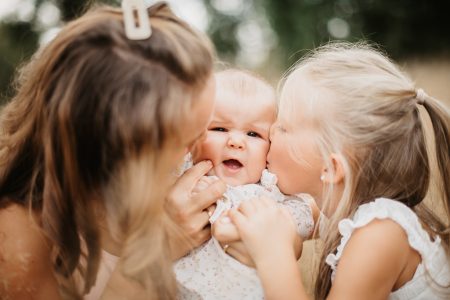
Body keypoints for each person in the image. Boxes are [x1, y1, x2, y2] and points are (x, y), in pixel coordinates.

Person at [0, 2, 225, 299]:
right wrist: (155, 248)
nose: (193, 153)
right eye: (184, 141)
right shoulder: (16, 239)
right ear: (120, 147)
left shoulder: (128, 190)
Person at [229, 42, 450, 299]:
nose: (270, 131)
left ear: (331, 167)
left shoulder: (380, 233)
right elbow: (281, 223)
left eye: (284, 127)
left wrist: (273, 255)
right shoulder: (344, 210)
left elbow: (275, 243)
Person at [174, 69, 319, 299]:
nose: (236, 142)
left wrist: (290, 239)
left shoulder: (270, 193)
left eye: (253, 134)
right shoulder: (182, 178)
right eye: (220, 129)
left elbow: (304, 218)